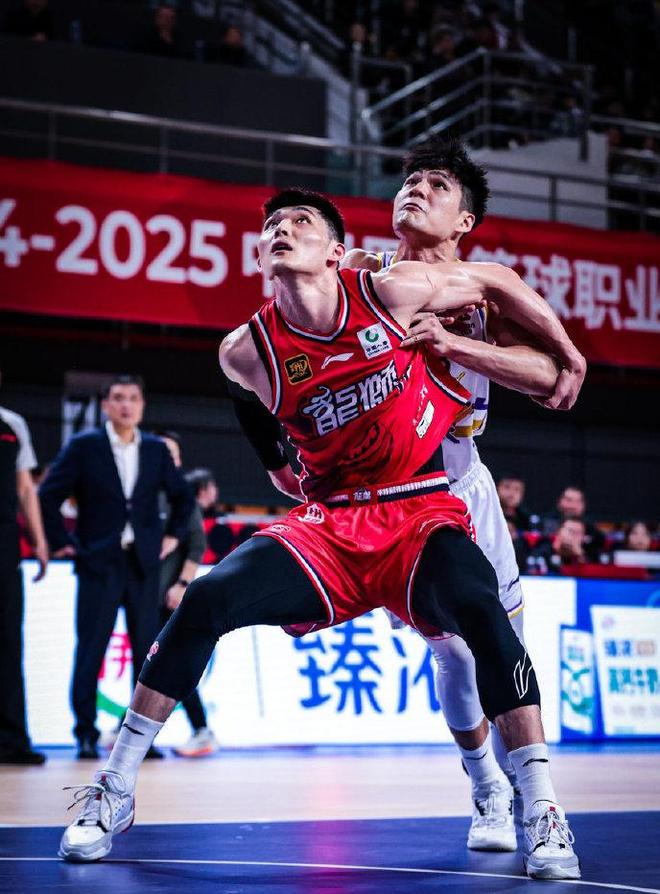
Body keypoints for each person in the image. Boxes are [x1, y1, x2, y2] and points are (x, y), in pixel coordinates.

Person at [59, 189, 580, 880]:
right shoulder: (246, 351)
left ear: (336, 252)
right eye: (272, 224)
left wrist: (567, 352)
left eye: (300, 222)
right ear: (260, 255)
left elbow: (497, 280)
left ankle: (539, 806)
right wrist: (285, 469)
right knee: (207, 597)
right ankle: (115, 787)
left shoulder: (392, 291)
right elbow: (258, 425)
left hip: (421, 508)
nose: (282, 229)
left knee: (483, 619)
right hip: (332, 522)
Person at [337, 137, 584, 855]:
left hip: (462, 482)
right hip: (389, 495)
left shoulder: (483, 292)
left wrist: (457, 346)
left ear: (465, 220)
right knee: (451, 654)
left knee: (501, 647)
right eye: (409, 180)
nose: (416, 189)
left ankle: (535, 801)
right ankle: (486, 788)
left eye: (437, 185)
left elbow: (549, 379)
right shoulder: (361, 274)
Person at [39, 375, 193, 760]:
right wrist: (64, 543)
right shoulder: (84, 446)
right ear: (106, 405)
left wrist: (172, 537)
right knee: (91, 649)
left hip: (143, 565)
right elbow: (47, 496)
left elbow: (183, 498)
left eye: (133, 398)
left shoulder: (155, 449)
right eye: (119, 398)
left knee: (147, 654)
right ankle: (85, 733)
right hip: (99, 563)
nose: (126, 405)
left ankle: (138, 739)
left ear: (142, 406)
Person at [157, 435, 219, 758]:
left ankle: (201, 729)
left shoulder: (180, 495)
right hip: (142, 597)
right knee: (150, 664)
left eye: (172, 453)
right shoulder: (144, 491)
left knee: (172, 663)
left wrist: (181, 584)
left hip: (167, 597)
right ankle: (126, 724)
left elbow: (197, 545)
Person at [0, 376, 49, 765]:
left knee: (8, 642)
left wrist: (40, 540)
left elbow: (26, 489)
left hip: (4, 545)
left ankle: (13, 739)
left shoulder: (12, 423)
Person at [542, 486, 604, 561]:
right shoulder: (546, 525)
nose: (573, 506)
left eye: (578, 501)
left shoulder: (592, 531)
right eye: (569, 500)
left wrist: (581, 554)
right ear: (559, 501)